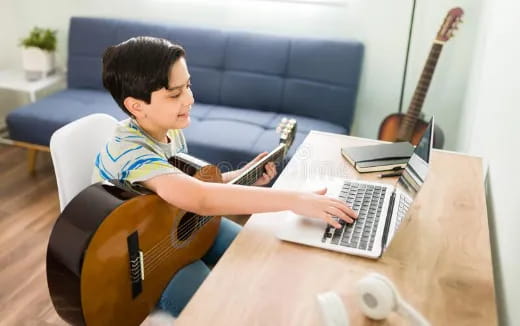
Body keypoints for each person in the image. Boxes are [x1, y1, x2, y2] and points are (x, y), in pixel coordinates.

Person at [93, 36, 357, 319]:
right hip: (143, 263)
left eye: (188, 86)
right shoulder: (129, 151)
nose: (190, 99)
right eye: (174, 94)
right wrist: (295, 200)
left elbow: (184, 189)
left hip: (179, 231)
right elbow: (199, 198)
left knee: (260, 256)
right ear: (136, 106)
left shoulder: (168, 128)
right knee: (220, 307)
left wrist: (242, 176)